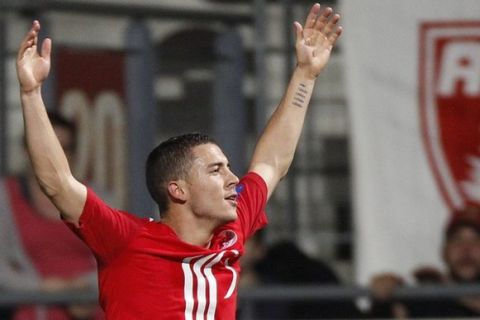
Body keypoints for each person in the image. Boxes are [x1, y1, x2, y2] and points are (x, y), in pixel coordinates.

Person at [15, 3, 342, 319]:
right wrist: (31, 94)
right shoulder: (127, 240)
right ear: (178, 190)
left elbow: (272, 162)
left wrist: (305, 74)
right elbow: (57, 182)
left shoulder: (230, 229)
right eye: (216, 170)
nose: (233, 178)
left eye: (227, 167)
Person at [0, 113, 103, 320]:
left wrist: (84, 287)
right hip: (31, 310)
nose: (54, 156)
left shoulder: (97, 198)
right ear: (26, 150)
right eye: (46, 148)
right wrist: (43, 288)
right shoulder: (5, 197)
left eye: (64, 148)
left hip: (91, 310)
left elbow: (119, 260)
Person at [368, 209, 480, 318]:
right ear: (445, 252)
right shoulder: (425, 296)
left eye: (476, 240)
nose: (466, 249)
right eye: (457, 240)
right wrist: (384, 298)